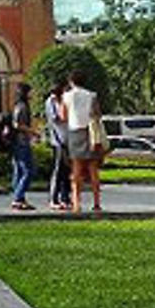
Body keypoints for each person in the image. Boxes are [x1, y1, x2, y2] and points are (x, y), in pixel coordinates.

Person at [61, 70, 104, 215]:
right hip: (90, 132)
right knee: (93, 170)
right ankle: (97, 203)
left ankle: (76, 203)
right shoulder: (92, 95)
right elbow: (97, 114)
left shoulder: (66, 96)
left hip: (74, 132)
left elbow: (63, 115)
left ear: (71, 82)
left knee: (76, 171)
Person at [44, 78, 72, 211]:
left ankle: (65, 198)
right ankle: (53, 198)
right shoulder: (51, 101)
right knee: (58, 170)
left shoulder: (62, 101)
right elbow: (56, 119)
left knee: (66, 171)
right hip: (58, 140)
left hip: (67, 139)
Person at [10, 82, 36, 211]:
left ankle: (20, 199)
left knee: (19, 171)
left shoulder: (17, 106)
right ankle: (17, 197)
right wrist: (32, 131)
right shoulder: (22, 107)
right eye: (30, 91)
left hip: (18, 142)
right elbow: (17, 124)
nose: (33, 94)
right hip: (22, 142)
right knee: (28, 171)